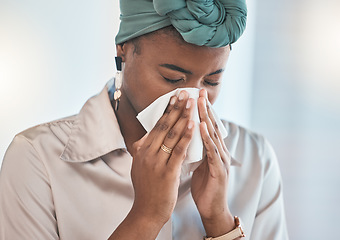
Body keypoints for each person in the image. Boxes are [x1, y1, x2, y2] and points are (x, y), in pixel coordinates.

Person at [0, 0, 289, 239]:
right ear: (123, 50)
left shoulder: (255, 158)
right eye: (172, 78)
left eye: (212, 81)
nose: (192, 98)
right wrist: (147, 215)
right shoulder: (38, 158)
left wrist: (218, 219)